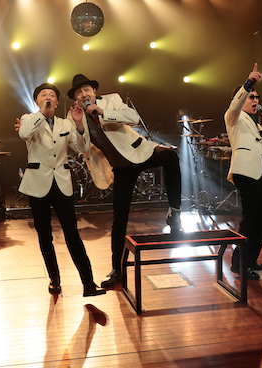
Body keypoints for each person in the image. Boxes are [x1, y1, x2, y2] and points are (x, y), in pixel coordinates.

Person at [67, 73, 183, 289]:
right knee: (119, 219)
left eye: (86, 90)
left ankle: (175, 214)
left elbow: (133, 118)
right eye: (79, 92)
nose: (84, 94)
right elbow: (81, 147)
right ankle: (117, 270)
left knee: (170, 156)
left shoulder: (111, 100)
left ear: (94, 91)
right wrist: (80, 125)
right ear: (75, 98)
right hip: (121, 167)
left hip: (140, 151)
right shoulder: (74, 116)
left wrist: (102, 112)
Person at [15, 83, 105, 297]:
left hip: (62, 183)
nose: (48, 97)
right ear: (37, 101)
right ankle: (54, 278)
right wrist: (42, 113)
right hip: (37, 183)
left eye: (52, 96)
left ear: (57, 102)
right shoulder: (28, 119)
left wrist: (79, 125)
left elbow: (82, 148)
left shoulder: (66, 123)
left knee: (72, 234)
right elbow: (24, 133)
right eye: (43, 95)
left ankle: (88, 283)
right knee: (44, 235)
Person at [224, 64, 262, 279]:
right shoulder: (233, 117)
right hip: (245, 172)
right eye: (251, 97)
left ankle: (250, 259)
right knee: (252, 216)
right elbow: (235, 105)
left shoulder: (256, 123)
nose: (255, 100)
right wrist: (249, 83)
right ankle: (239, 263)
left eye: (257, 97)